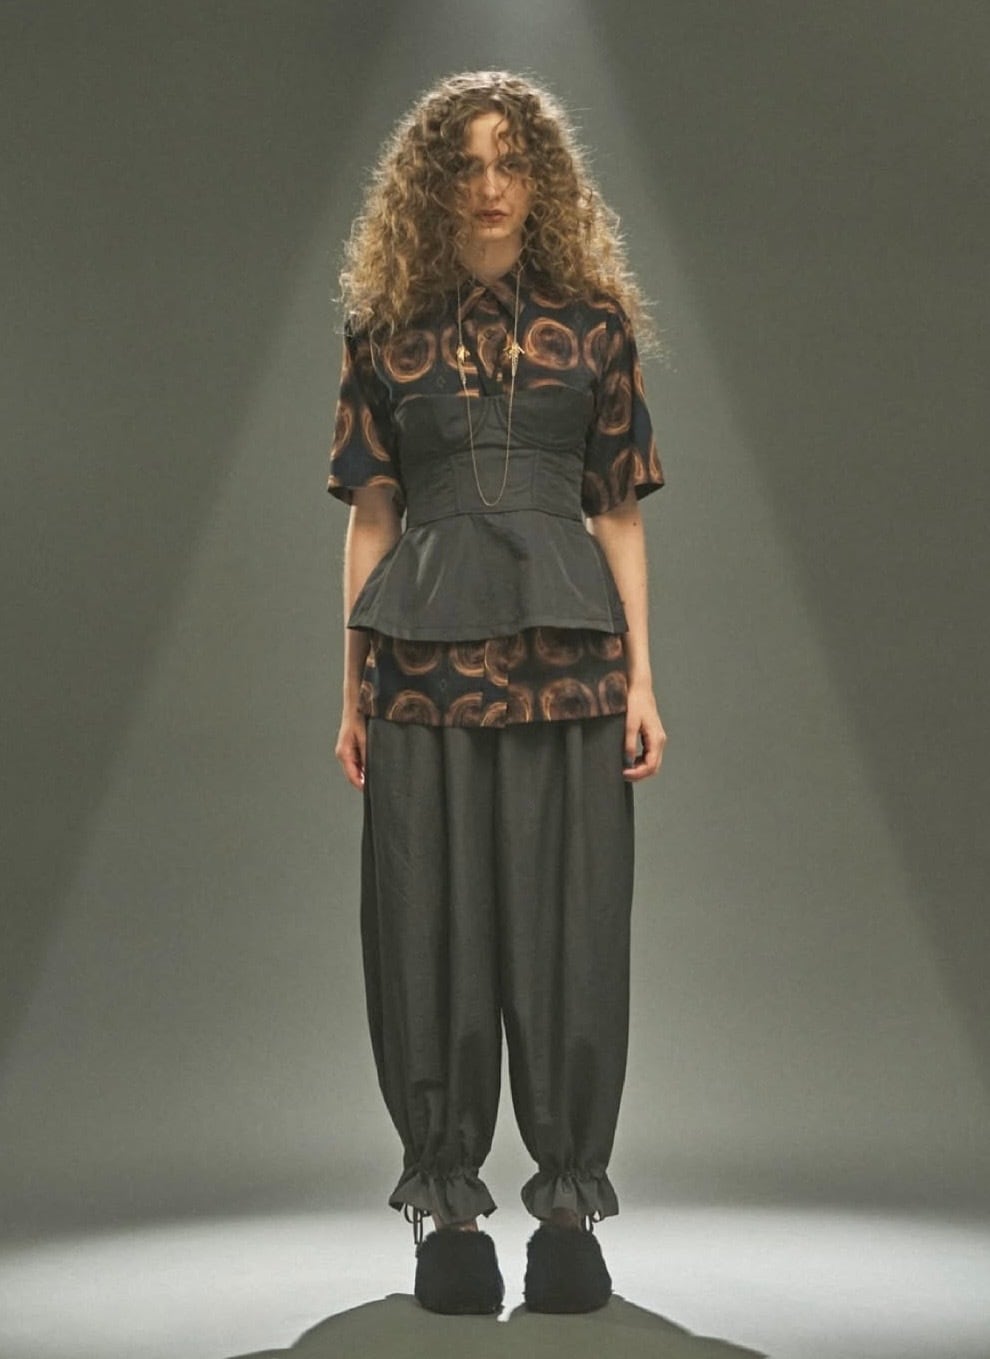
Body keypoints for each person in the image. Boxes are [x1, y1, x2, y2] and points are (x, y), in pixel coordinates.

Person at [328, 70, 667, 1316]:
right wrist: (350, 692)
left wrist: (645, 680)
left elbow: (617, 512)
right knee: (429, 927)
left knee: (573, 926)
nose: (487, 186)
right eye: (464, 164)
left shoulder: (596, 327)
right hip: (418, 669)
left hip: (572, 664)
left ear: (542, 179)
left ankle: (568, 1211)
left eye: (509, 161)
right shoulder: (386, 332)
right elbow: (372, 516)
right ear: (432, 184)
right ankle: (449, 1215)